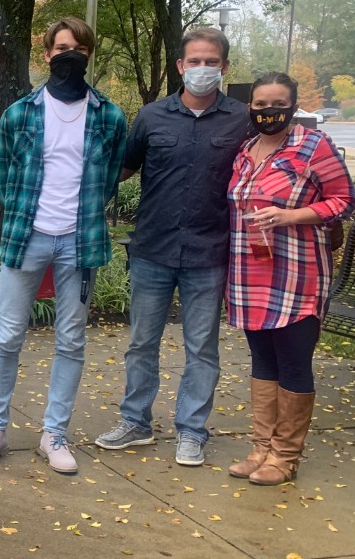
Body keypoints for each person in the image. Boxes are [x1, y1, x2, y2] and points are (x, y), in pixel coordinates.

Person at [0, 17, 127, 474]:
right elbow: (2, 174)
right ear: (47, 54)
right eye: (60, 47)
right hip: (27, 238)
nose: (68, 54)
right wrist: (25, 214)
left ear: (88, 54)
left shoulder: (110, 116)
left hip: (81, 242)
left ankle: (54, 433)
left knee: (72, 339)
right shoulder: (20, 113)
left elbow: (111, 176)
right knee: (8, 335)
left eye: (77, 47)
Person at [95, 27, 250, 466]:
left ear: (224, 66)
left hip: (209, 253)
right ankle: (136, 422)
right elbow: (123, 169)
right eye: (194, 61)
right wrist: (79, 192)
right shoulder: (151, 116)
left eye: (212, 61)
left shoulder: (241, 120)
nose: (203, 69)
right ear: (180, 66)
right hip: (153, 251)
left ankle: (192, 431)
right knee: (141, 342)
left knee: (202, 348)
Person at [225, 72, 355, 485]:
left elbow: (344, 199)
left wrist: (292, 216)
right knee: (263, 359)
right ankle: (262, 447)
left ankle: (285, 456)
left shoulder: (313, 146)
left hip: (298, 272)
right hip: (250, 271)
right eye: (261, 105)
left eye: (277, 104)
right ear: (251, 107)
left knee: (294, 361)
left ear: (293, 106)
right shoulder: (246, 150)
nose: (268, 112)